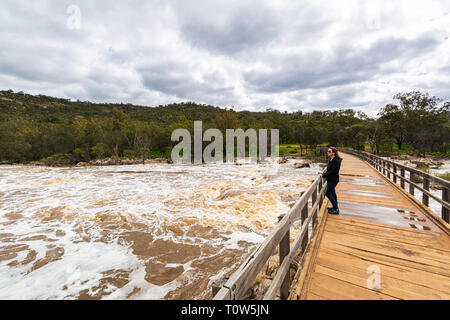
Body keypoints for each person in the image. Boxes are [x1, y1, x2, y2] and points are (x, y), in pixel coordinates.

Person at [319, 147, 342, 215]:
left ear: (333, 153)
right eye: (328, 151)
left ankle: (336, 209)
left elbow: (333, 171)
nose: (327, 152)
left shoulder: (336, 161)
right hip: (330, 179)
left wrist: (323, 175)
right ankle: (335, 207)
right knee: (333, 193)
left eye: (329, 151)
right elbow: (329, 169)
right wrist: (323, 173)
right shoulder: (332, 159)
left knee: (328, 193)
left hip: (333, 180)